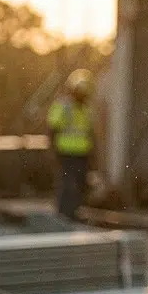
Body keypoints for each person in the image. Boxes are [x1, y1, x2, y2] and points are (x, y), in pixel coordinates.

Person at [47, 69, 97, 220]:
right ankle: (64, 214)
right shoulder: (63, 106)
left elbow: (90, 133)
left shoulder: (86, 110)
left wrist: (92, 153)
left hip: (82, 153)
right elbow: (52, 129)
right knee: (67, 184)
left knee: (80, 183)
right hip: (65, 152)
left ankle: (73, 212)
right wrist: (53, 150)